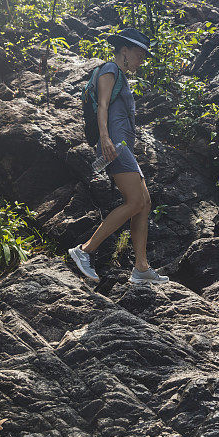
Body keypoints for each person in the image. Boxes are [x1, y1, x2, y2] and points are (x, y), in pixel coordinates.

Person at [68, 28, 169, 285]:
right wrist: (105, 139)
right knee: (135, 201)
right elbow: (102, 105)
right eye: (138, 55)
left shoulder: (121, 75)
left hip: (123, 147)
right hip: (114, 146)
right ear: (124, 51)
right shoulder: (110, 70)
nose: (141, 61)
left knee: (144, 203)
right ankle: (84, 251)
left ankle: (141, 268)